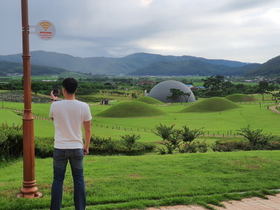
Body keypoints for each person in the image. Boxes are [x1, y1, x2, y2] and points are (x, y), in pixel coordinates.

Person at [49, 78, 92, 210]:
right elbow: (88, 130)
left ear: (63, 90)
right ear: (76, 90)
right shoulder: (84, 106)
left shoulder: (55, 105)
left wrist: (54, 100)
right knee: (79, 179)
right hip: (77, 147)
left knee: (58, 180)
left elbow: (53, 118)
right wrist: (86, 146)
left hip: (60, 148)